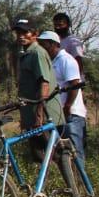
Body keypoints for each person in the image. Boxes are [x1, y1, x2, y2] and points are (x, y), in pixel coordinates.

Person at [14, 20, 64, 157]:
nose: (21, 36)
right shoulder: (25, 55)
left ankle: (70, 178)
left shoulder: (37, 53)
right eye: (18, 33)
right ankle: (47, 178)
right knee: (38, 155)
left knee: (54, 155)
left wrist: (39, 116)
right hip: (32, 115)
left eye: (25, 32)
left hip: (44, 116)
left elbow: (44, 84)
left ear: (35, 34)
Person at [38, 31, 87, 164]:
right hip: (59, 115)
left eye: (44, 44)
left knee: (74, 152)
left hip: (71, 114)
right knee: (62, 153)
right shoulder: (51, 62)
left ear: (53, 44)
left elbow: (75, 85)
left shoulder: (66, 60)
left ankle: (80, 181)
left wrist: (68, 106)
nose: (42, 47)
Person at [52, 12, 86, 77]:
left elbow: (78, 61)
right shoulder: (55, 41)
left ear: (68, 25)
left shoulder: (73, 42)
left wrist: (76, 81)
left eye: (60, 25)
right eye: (55, 25)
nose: (58, 27)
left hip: (71, 80)